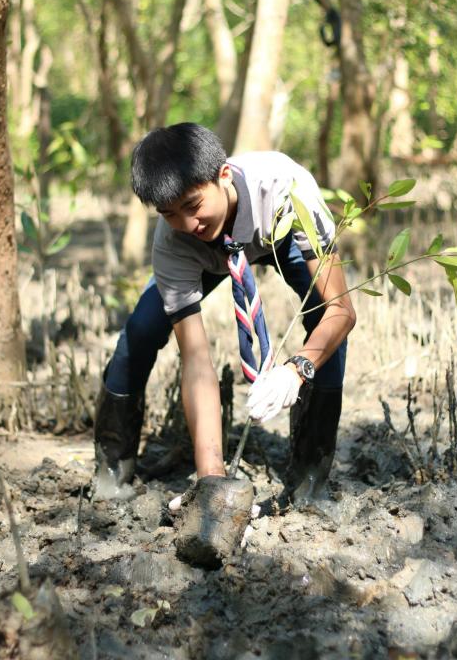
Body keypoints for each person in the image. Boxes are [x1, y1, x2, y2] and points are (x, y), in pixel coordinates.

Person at [94, 122, 356, 507]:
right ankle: (111, 473)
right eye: (169, 213)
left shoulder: (289, 189)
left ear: (224, 175)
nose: (187, 224)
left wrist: (296, 370)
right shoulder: (175, 241)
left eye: (193, 206)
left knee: (322, 318)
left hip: (278, 236)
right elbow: (197, 361)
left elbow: (342, 309)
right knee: (141, 331)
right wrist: (212, 487)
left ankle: (309, 483)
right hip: (208, 261)